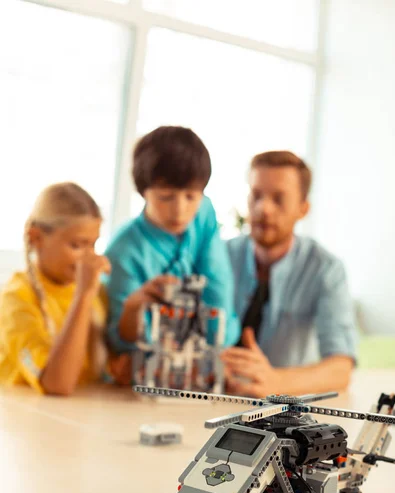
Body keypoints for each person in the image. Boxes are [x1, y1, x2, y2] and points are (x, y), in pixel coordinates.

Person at [221, 151, 357, 397]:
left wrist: (276, 382)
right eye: (256, 196)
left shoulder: (326, 269)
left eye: (279, 198)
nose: (264, 209)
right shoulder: (220, 256)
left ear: (303, 208)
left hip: (284, 412)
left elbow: (341, 369)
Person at [104, 125, 240, 358]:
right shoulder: (123, 250)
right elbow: (126, 341)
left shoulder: (204, 213)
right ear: (143, 190)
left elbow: (218, 291)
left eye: (191, 196)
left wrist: (217, 346)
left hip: (209, 360)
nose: (180, 210)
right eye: (165, 197)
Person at [0, 182, 113, 395]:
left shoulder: (94, 293)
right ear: (36, 238)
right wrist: (84, 295)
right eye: (77, 245)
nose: (89, 257)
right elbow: (57, 384)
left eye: (93, 245)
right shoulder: (16, 299)